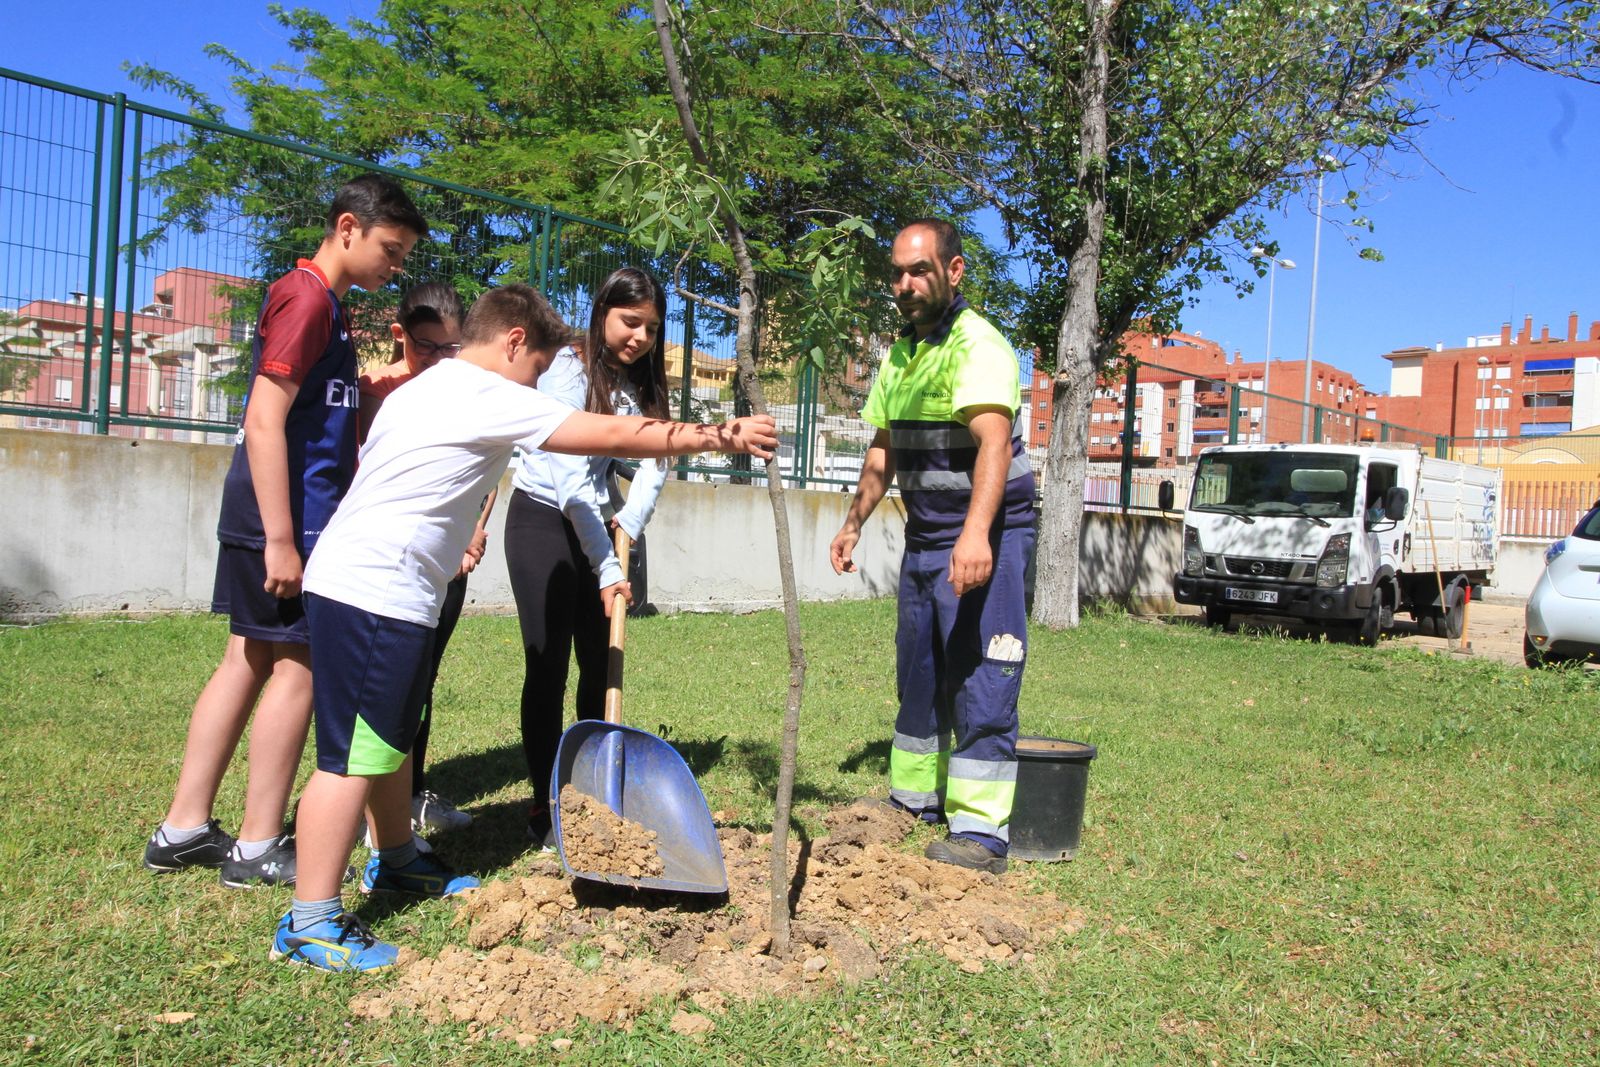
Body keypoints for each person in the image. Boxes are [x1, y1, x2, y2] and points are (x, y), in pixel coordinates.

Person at [271, 283, 777, 972]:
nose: (539, 386)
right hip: (376, 592)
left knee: (387, 739)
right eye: (538, 370)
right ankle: (310, 921)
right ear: (513, 342)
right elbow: (612, 433)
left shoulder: (427, 387)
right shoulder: (487, 392)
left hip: (380, 587)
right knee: (351, 758)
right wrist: (719, 434)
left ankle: (395, 859)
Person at [142, 174, 427, 888]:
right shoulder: (305, 297)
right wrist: (281, 538)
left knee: (246, 658)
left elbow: (308, 410)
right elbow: (265, 419)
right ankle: (259, 841)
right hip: (286, 523)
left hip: (279, 518)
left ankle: (183, 827)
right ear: (347, 228)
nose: (395, 268)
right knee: (297, 668)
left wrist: (366, 394)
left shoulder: (324, 304)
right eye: (390, 251)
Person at [828, 219, 1035, 876]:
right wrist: (854, 519)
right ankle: (912, 799)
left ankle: (980, 830)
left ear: (955, 271)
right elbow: (884, 448)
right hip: (926, 534)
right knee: (917, 670)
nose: (906, 283)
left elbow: (994, 444)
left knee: (981, 670)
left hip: (987, 528)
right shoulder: (901, 354)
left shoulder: (978, 345)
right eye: (897, 272)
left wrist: (977, 535)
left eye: (920, 269)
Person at [504, 267, 671, 849]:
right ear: (603, 311)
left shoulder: (639, 382)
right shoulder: (568, 372)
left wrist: (631, 518)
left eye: (651, 327)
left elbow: (657, 456)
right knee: (547, 666)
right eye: (630, 322)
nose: (640, 338)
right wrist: (606, 567)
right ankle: (545, 801)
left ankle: (591, 790)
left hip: (599, 522)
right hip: (543, 521)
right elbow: (571, 483)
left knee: (600, 665)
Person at [357, 281, 486, 836]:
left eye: (450, 349)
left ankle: (409, 794)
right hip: (382, 568)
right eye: (425, 346)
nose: (436, 360)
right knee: (378, 686)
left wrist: (473, 535)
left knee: (421, 680)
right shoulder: (375, 392)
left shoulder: (470, 395)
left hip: (446, 563)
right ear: (399, 336)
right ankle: (365, 803)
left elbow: (485, 474)